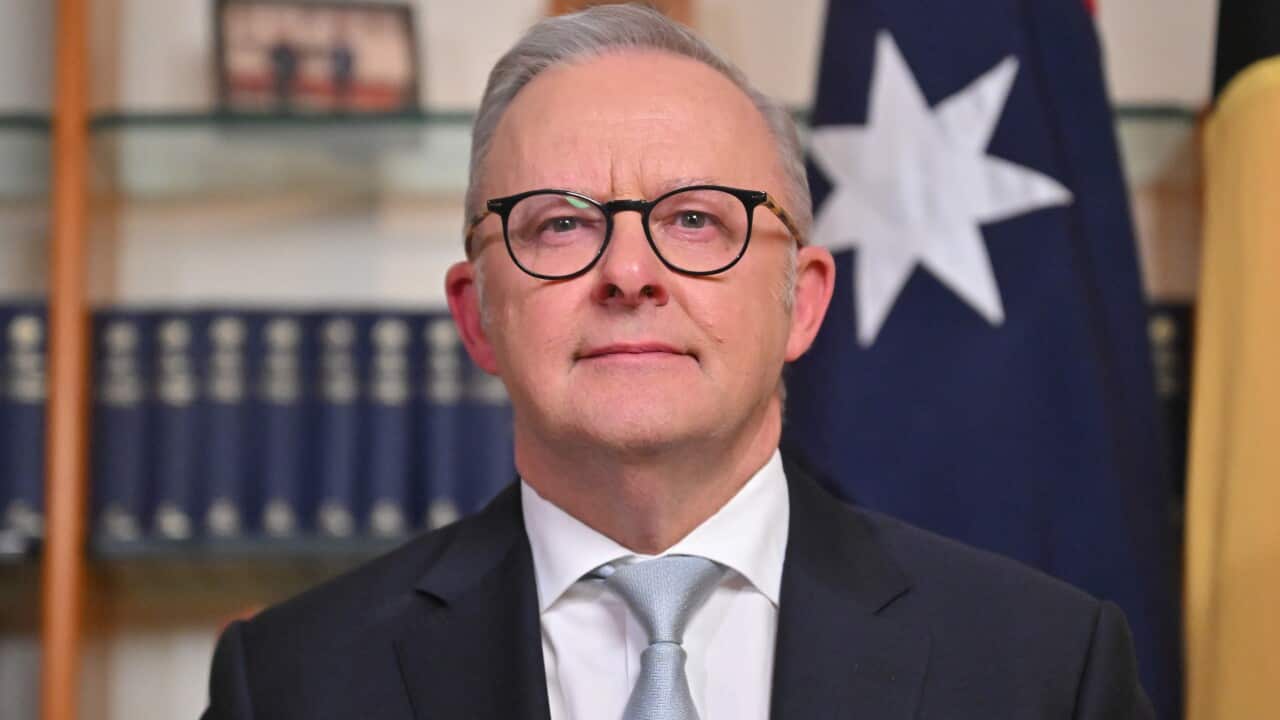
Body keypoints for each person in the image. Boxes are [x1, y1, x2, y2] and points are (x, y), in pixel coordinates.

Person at [202, 5, 1153, 718]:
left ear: (805, 301)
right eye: (561, 224)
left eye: (696, 219)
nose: (629, 273)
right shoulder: (291, 683)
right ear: (477, 316)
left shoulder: (1042, 668)